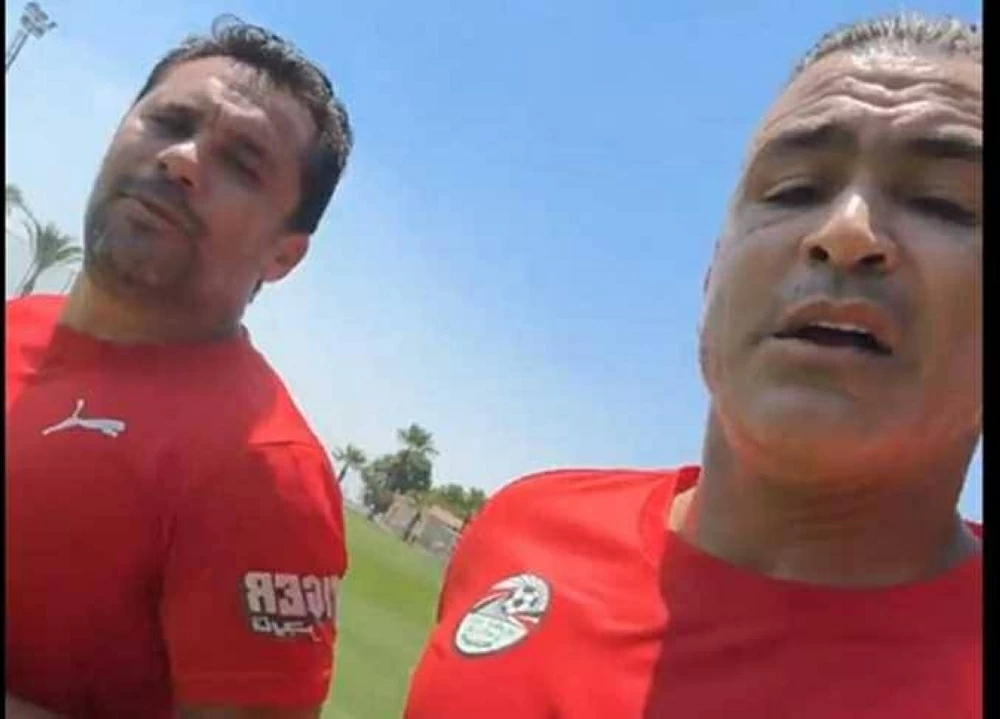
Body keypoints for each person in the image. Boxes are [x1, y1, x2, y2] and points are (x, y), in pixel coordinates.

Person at [404, 13, 981, 719]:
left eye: (943, 202)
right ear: (713, 274)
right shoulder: (524, 530)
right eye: (794, 188)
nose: (846, 231)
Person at [6, 17, 353, 719]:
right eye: (169, 122)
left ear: (283, 255)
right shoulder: (16, 325)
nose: (182, 159)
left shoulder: (264, 469)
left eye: (243, 164)